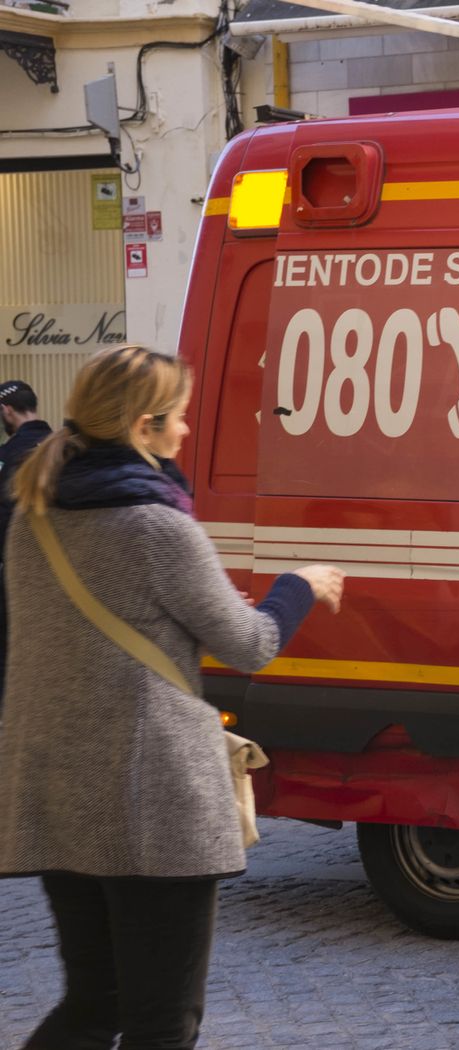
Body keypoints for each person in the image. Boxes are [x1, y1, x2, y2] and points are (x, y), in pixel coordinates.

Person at [0, 344, 345, 1050]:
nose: (187, 432)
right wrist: (300, 586)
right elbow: (251, 644)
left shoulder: (35, 516)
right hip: (152, 800)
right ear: (144, 425)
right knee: (164, 1019)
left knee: (93, 1007)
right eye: (180, 419)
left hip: (60, 791)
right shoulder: (158, 525)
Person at [0, 378, 51, 710]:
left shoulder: (6, 458)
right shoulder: (65, 448)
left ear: (6, 411)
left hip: (17, 572)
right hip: (64, 572)